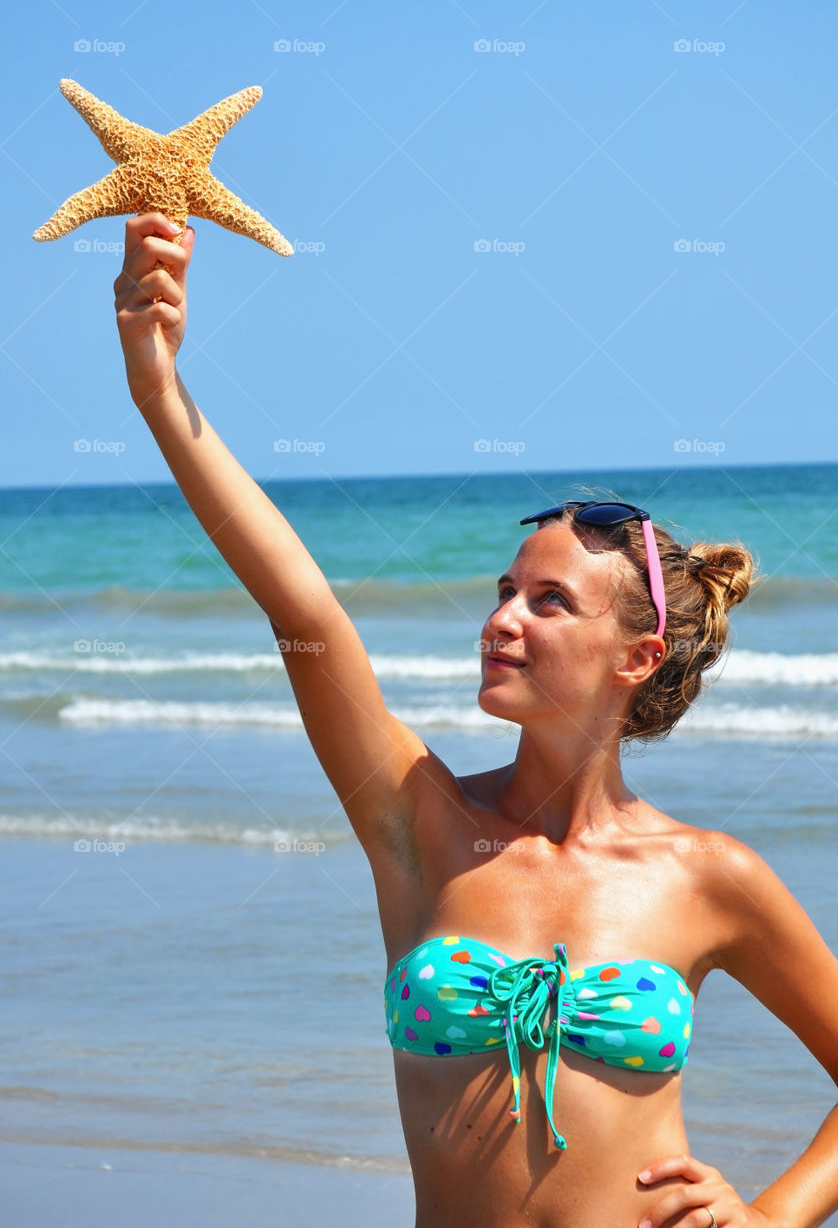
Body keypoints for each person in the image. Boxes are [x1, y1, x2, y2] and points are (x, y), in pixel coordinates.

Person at [114, 213, 838, 1228]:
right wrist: (159, 388)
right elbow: (304, 609)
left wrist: (772, 1215)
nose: (501, 617)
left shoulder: (712, 877)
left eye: (549, 602)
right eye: (503, 589)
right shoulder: (423, 823)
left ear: (634, 657)